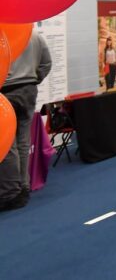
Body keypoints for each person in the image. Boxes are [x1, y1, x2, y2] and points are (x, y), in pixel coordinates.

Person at [0, 32, 51, 211]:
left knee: (8, 144)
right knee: (23, 141)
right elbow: (46, 64)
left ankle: (11, 192)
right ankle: (24, 186)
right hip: (28, 90)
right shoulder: (35, 37)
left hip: (6, 92)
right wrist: (35, 79)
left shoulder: (3, 37)